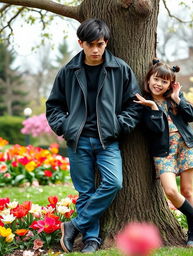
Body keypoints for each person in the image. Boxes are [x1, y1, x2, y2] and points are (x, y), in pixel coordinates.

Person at [46, 18, 141, 253]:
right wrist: (66, 126)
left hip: (108, 140)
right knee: (85, 192)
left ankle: (74, 225)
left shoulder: (120, 69)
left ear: (106, 42)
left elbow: (135, 104)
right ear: (81, 43)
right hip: (78, 141)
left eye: (100, 44)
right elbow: (53, 106)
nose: (96, 49)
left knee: (114, 182)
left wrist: (118, 126)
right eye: (91, 45)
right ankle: (91, 240)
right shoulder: (68, 71)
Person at [134, 59, 193, 247]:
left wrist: (178, 98)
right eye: (156, 79)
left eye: (164, 82)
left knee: (187, 191)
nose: (159, 84)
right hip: (164, 153)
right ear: (148, 79)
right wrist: (154, 108)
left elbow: (191, 116)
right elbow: (154, 130)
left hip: (186, 146)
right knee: (171, 191)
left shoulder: (175, 98)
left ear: (169, 85)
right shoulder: (144, 103)